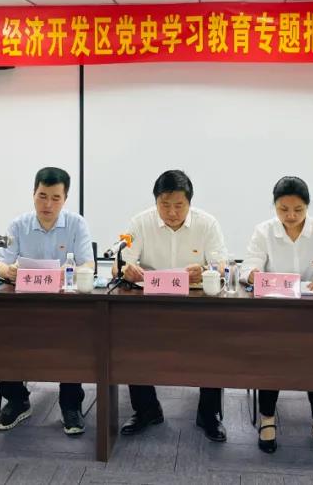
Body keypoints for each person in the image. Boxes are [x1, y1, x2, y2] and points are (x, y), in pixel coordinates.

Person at [120, 169, 229, 442]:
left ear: (189, 202)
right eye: (164, 205)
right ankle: (146, 409)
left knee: (214, 343)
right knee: (130, 340)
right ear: (155, 201)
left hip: (196, 305)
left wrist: (206, 269)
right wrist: (126, 269)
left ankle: (208, 414)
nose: (171, 212)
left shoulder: (207, 224)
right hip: (149, 304)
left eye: (179, 205)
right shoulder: (139, 223)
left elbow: (222, 265)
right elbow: (121, 261)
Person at [241, 175, 313, 455]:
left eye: (298, 209)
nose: (290, 216)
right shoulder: (264, 231)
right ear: (274, 206)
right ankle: (267, 418)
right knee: (271, 354)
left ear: (308, 206)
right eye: (283, 209)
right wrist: (253, 274)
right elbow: (247, 268)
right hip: (274, 314)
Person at [0, 167, 93, 436]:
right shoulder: (18, 225)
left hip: (65, 306)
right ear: (33, 194)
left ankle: (70, 405)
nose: (48, 204)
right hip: (24, 304)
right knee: (7, 334)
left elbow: (88, 265)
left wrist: (66, 272)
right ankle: (17, 400)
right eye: (42, 196)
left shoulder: (76, 224)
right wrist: (9, 271)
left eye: (55, 198)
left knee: (72, 340)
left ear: (65, 198)